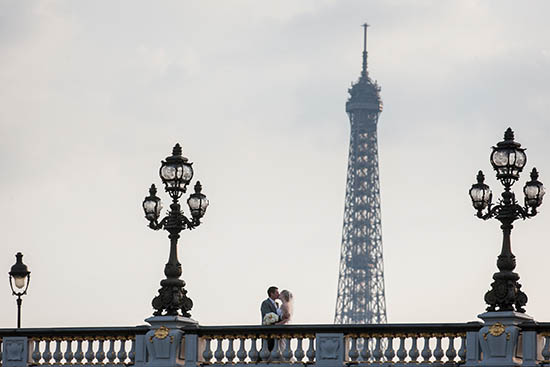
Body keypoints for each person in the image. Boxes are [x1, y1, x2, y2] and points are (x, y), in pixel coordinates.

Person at [260, 286, 280, 352]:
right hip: (268, 330)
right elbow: (267, 316)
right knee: (266, 349)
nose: (278, 294)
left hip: (276, 330)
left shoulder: (277, 304)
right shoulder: (265, 303)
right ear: (271, 293)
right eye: (277, 292)